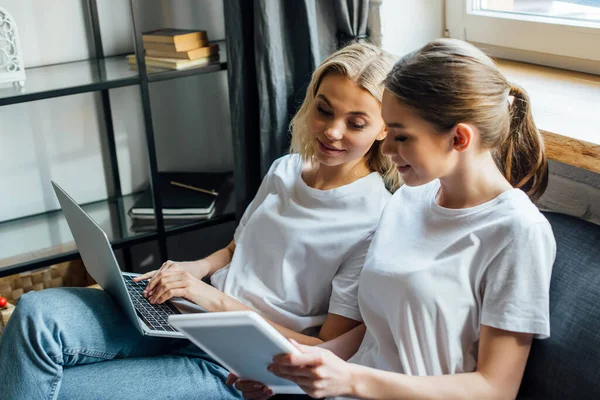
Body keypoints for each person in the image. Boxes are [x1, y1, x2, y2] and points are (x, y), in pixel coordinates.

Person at [0, 42, 400, 399]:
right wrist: (192, 269)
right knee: (35, 313)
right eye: (324, 110)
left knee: (59, 389)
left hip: (240, 364)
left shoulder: (374, 221)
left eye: (356, 123)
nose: (332, 131)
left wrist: (213, 299)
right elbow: (233, 249)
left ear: (385, 127)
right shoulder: (287, 168)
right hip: (186, 316)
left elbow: (324, 346)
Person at [233, 38, 556, 400]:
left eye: (401, 136)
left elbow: (496, 388)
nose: (384, 148)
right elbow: (381, 331)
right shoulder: (408, 198)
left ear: (460, 138)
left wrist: (352, 380)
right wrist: (294, 367)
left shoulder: (517, 231)